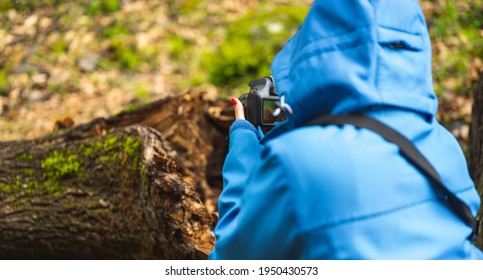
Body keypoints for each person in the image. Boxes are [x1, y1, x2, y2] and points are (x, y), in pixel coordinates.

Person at [208, 0, 483, 259]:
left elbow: (233, 260)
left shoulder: (297, 161)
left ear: (315, 47)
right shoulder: (444, 144)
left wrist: (244, 143)